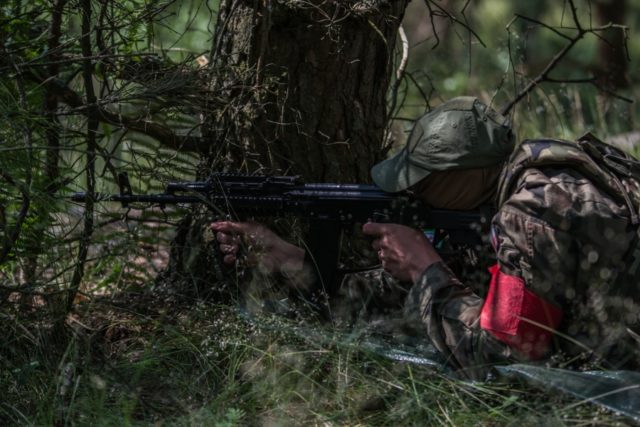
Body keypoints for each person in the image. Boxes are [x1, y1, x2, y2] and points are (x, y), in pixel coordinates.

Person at [211, 96, 640, 379]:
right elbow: (411, 299)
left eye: (425, 179)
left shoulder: (534, 211)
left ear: (467, 177)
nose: (411, 191)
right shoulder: (511, 189)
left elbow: (505, 356)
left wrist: (425, 268)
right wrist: (292, 262)